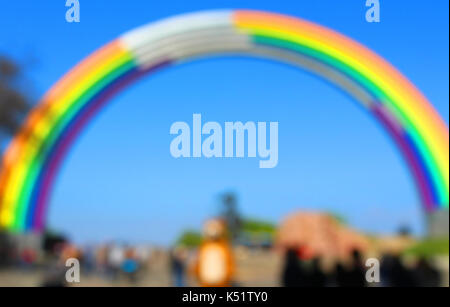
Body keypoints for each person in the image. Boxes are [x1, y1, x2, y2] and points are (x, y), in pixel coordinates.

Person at [195, 219, 234, 287]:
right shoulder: (204, 246)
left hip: (221, 281)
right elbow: (198, 262)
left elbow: (229, 263)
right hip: (206, 281)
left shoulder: (223, 246)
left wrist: (228, 275)